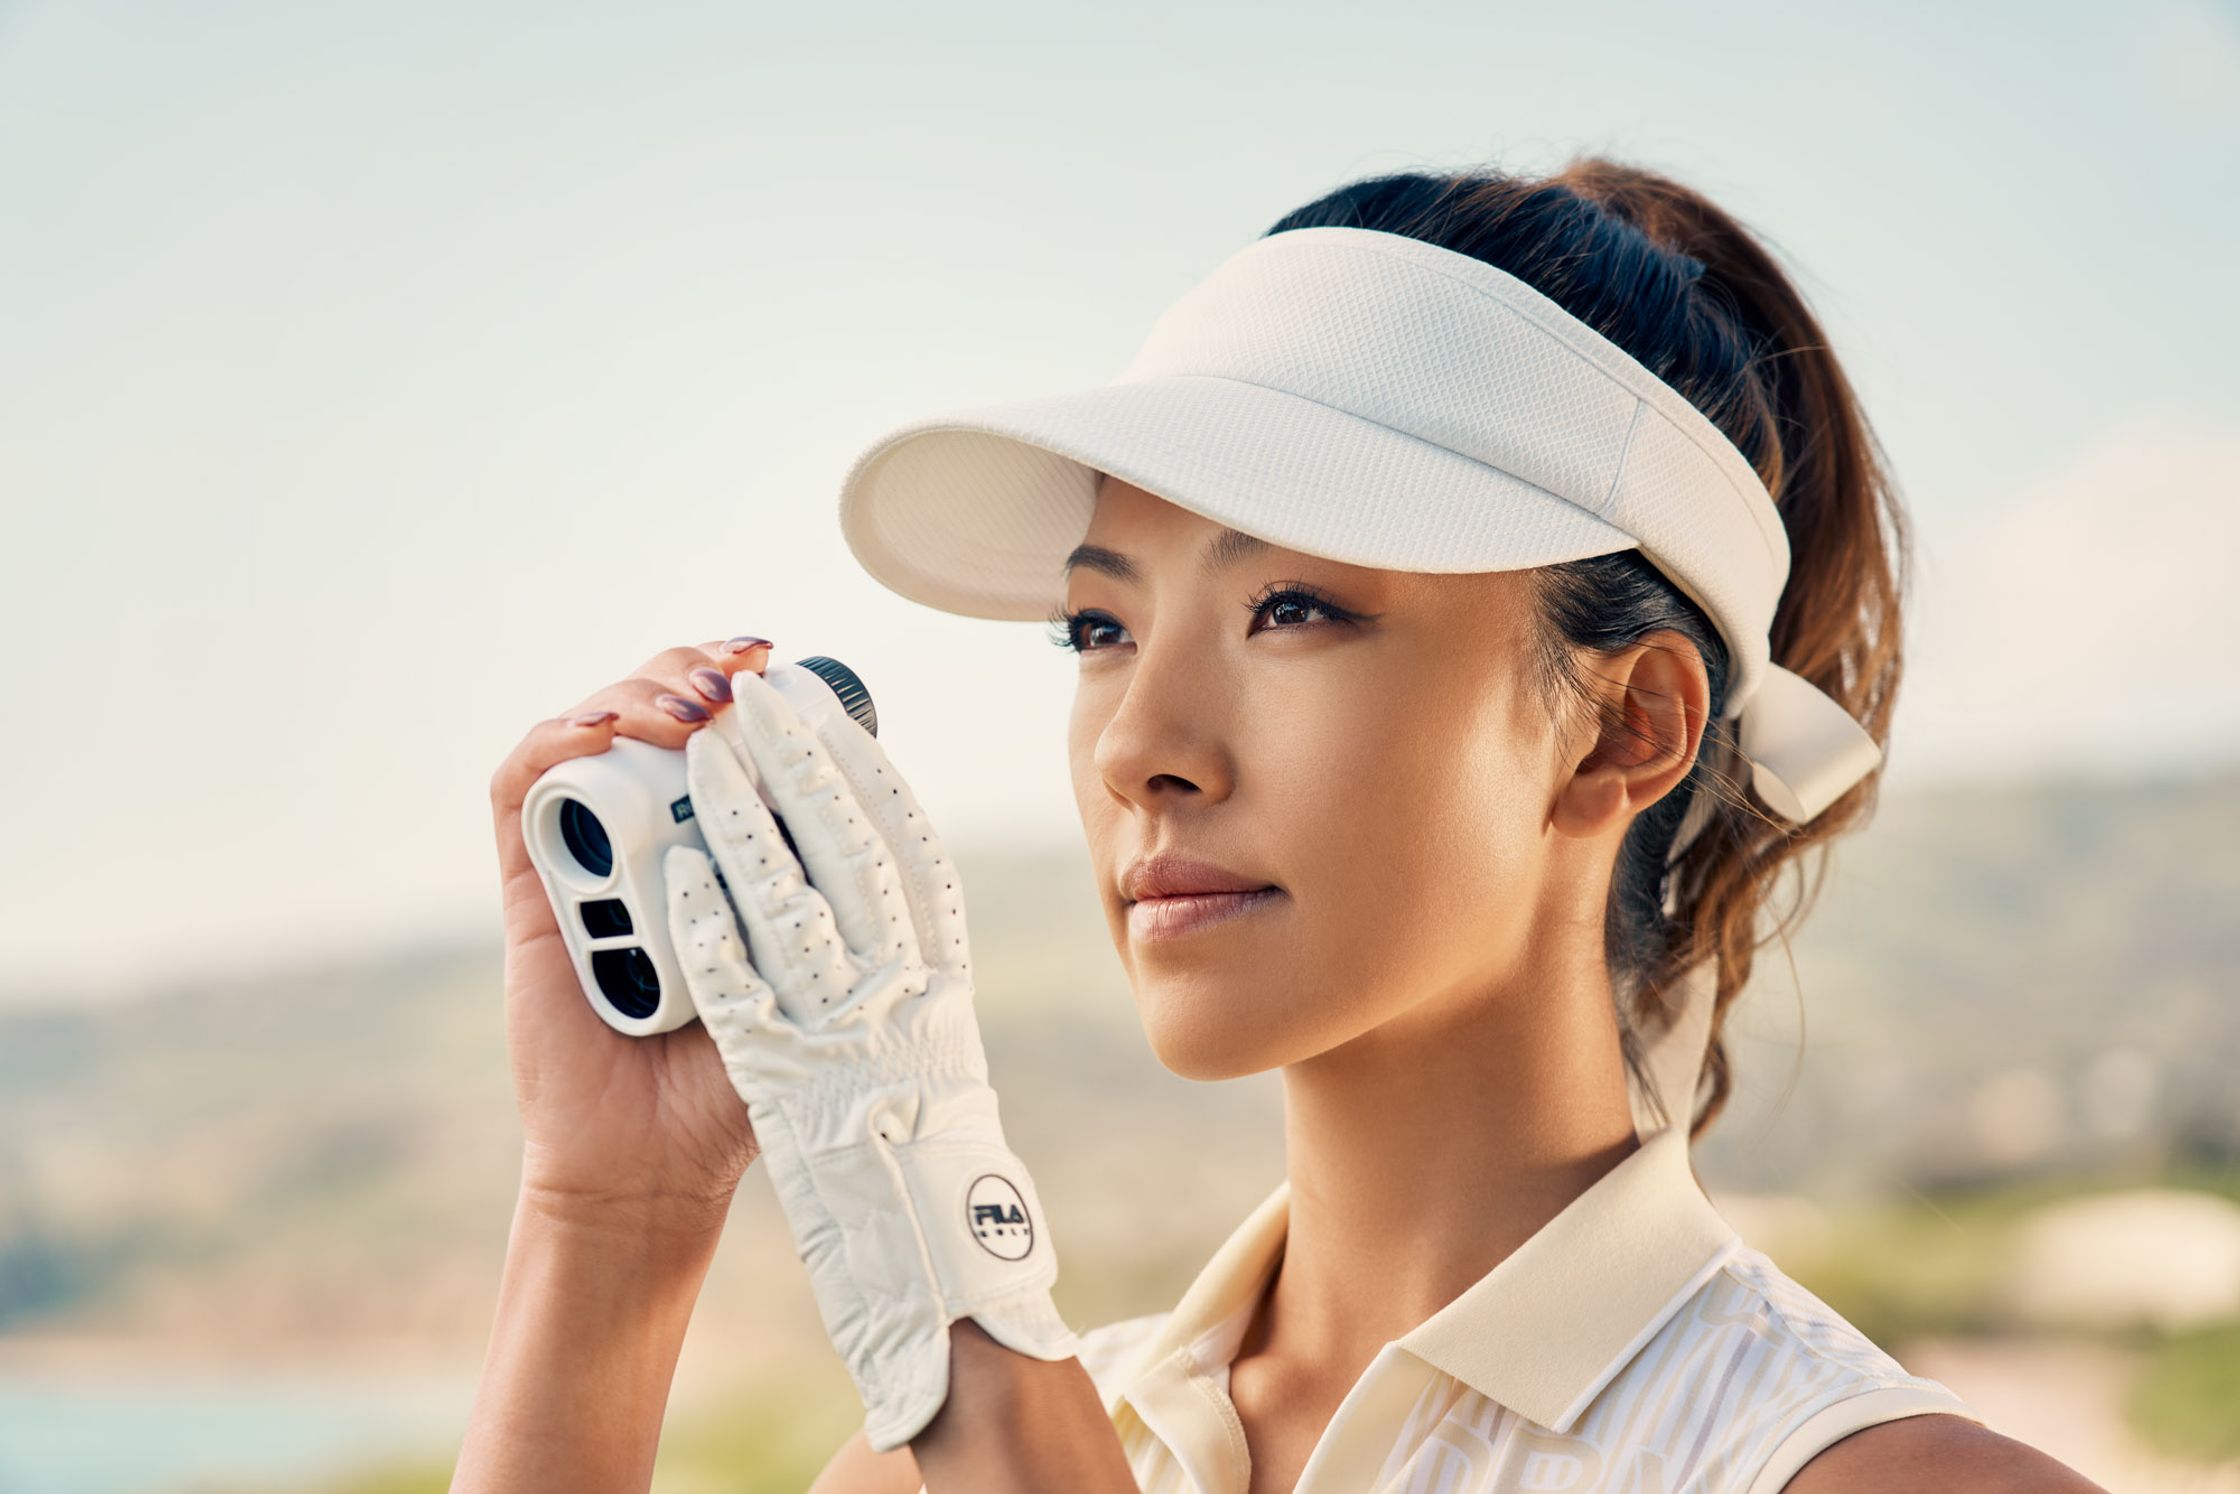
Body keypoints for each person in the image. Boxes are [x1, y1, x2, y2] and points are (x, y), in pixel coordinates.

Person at [458, 157, 2105, 1493]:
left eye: (1296, 607)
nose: (1142, 750)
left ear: (1629, 725)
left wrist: (934, 1256)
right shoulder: (955, 1454)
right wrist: (612, 1218)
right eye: (1096, 630)